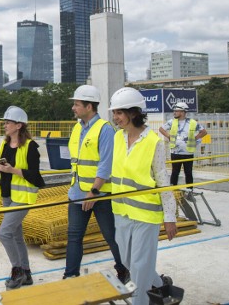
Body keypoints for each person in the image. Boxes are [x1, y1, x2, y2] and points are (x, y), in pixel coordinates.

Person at [108, 87, 178, 305]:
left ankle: (142, 301)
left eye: (119, 112)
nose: (115, 117)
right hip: (121, 210)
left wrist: (170, 216)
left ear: (134, 113)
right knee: (129, 260)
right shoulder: (118, 138)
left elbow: (163, 181)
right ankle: (160, 286)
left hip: (146, 214)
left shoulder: (154, 142)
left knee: (139, 265)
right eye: (115, 113)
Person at [63, 86, 129, 283]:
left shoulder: (105, 129)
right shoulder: (77, 128)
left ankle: (123, 269)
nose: (73, 108)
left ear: (89, 106)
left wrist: (93, 192)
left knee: (111, 236)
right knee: (74, 236)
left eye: (76, 104)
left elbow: (105, 165)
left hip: (100, 195)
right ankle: (70, 275)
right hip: (77, 193)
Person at [0, 106, 45, 290]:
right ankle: (27, 273)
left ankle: (17, 270)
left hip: (22, 197)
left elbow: (36, 177)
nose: (4, 125)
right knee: (16, 235)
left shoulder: (30, 147)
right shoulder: (5, 145)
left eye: (8, 122)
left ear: (19, 125)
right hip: (7, 195)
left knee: (4, 233)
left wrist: (12, 170)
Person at [158, 102, 208, 190]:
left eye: (176, 111)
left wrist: (195, 138)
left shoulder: (192, 122)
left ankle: (189, 191)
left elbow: (204, 132)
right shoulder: (172, 122)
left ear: (182, 112)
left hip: (188, 152)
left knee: (188, 173)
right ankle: (173, 191)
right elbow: (161, 129)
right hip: (175, 152)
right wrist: (168, 136)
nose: (174, 113)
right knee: (175, 172)